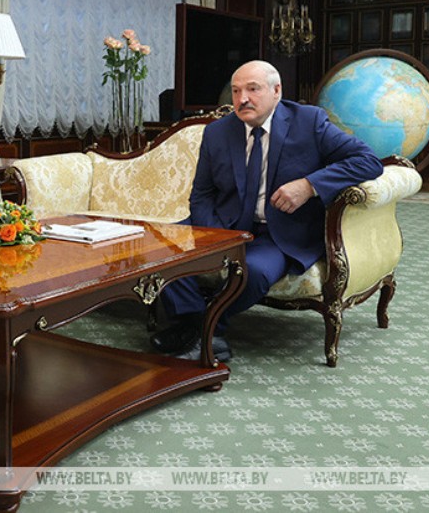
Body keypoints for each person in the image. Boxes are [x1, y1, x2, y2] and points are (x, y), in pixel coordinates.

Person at [150, 60, 383, 362]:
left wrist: (309, 185)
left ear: (276, 91)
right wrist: (212, 236)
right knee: (160, 249)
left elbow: (367, 161)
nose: (242, 98)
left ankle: (199, 330)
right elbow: (202, 194)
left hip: (279, 234)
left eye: (253, 89)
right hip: (224, 224)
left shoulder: (308, 122)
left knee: (255, 271)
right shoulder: (218, 132)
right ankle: (198, 328)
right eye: (236, 91)